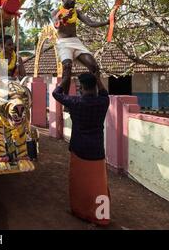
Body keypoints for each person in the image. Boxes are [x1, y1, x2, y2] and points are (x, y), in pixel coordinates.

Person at [52, 72, 110, 226]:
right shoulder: (103, 101)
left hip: (79, 149)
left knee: (79, 184)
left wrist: (65, 78)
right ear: (95, 86)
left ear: (81, 87)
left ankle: (80, 211)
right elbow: (104, 91)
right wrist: (97, 78)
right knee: (98, 185)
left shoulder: (75, 102)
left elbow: (56, 93)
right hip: (97, 150)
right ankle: (101, 216)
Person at [52, 0, 109, 94]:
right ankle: (66, 99)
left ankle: (99, 93)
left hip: (76, 42)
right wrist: (64, 18)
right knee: (67, 67)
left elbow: (91, 23)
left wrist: (107, 22)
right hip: (63, 43)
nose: (72, 0)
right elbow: (56, 24)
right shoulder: (56, 12)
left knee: (94, 66)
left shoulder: (76, 12)